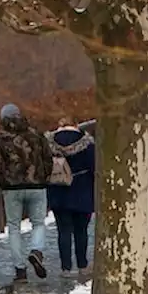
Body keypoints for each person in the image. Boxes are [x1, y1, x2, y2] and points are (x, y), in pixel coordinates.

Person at [0, 103, 54, 281]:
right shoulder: (35, 134)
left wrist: (2, 182)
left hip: (11, 188)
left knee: (14, 227)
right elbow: (47, 157)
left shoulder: (0, 139)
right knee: (39, 223)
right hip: (37, 185)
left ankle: (20, 269)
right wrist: (44, 177)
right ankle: (36, 250)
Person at [47, 117, 96, 274]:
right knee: (81, 230)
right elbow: (94, 166)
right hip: (82, 190)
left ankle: (66, 267)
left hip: (58, 191)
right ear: (76, 125)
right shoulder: (87, 143)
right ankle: (82, 265)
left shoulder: (49, 143)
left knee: (63, 230)